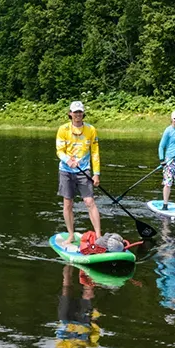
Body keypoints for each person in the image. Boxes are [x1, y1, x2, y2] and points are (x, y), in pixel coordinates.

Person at [56, 100, 102, 242]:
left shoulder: (91, 130)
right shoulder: (63, 129)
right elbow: (59, 150)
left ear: (83, 114)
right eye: (75, 112)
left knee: (89, 202)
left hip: (84, 171)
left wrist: (96, 174)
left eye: (80, 112)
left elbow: (95, 152)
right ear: (70, 114)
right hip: (66, 170)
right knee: (68, 203)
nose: (78, 115)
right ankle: (71, 234)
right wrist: (68, 161)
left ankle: (99, 235)